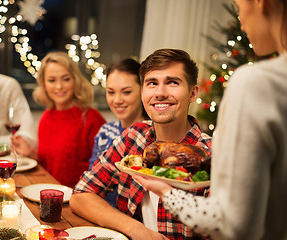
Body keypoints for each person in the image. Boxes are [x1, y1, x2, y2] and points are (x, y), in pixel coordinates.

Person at [134, 0, 287, 239]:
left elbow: (236, 226)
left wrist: (167, 192)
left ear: (261, 2)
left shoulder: (257, 83)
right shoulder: (135, 136)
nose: (239, 19)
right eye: (151, 83)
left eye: (238, 5)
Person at [70, 48, 212, 240]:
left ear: (193, 93)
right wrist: (136, 230)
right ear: (143, 92)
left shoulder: (210, 154)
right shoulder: (133, 137)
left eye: (172, 82)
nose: (160, 93)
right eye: (152, 83)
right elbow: (81, 195)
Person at [11, 51, 106, 188]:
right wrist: (31, 154)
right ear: (44, 84)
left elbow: (101, 172)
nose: (59, 86)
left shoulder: (92, 119)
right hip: (47, 192)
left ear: (75, 81)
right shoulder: (46, 118)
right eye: (52, 80)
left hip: (77, 198)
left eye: (66, 79)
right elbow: (52, 165)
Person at [88, 58, 149, 207]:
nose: (117, 100)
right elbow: (91, 180)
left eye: (126, 92)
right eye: (111, 92)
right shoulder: (105, 132)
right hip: (101, 214)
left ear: (142, 91)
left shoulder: (153, 135)